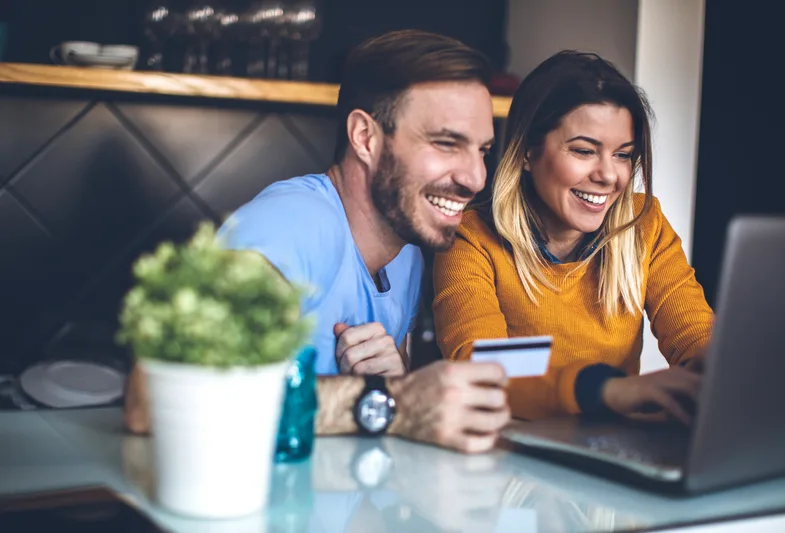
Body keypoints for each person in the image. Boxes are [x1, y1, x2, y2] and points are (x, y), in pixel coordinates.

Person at [124, 30, 510, 454]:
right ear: (365, 137)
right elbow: (150, 400)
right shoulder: (292, 223)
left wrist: (393, 380)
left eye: (483, 150)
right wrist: (391, 402)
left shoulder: (408, 255)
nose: (475, 178)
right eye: (446, 143)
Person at [433, 50, 714, 424]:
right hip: (513, 460)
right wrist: (604, 390)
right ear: (528, 152)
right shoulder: (471, 238)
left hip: (612, 449)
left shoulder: (645, 224)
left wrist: (713, 376)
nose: (609, 176)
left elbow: (697, 336)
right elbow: (481, 369)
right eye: (584, 151)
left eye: (623, 155)